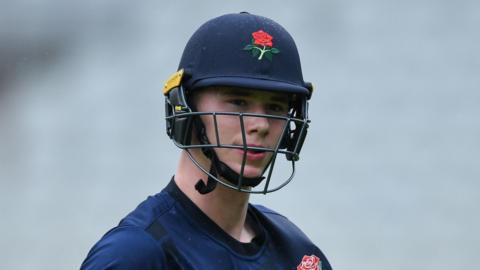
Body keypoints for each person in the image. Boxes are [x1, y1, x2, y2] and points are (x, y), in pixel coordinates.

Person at [81, 12, 332, 270]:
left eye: (276, 107)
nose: (261, 125)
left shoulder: (300, 255)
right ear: (184, 107)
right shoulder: (135, 255)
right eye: (238, 102)